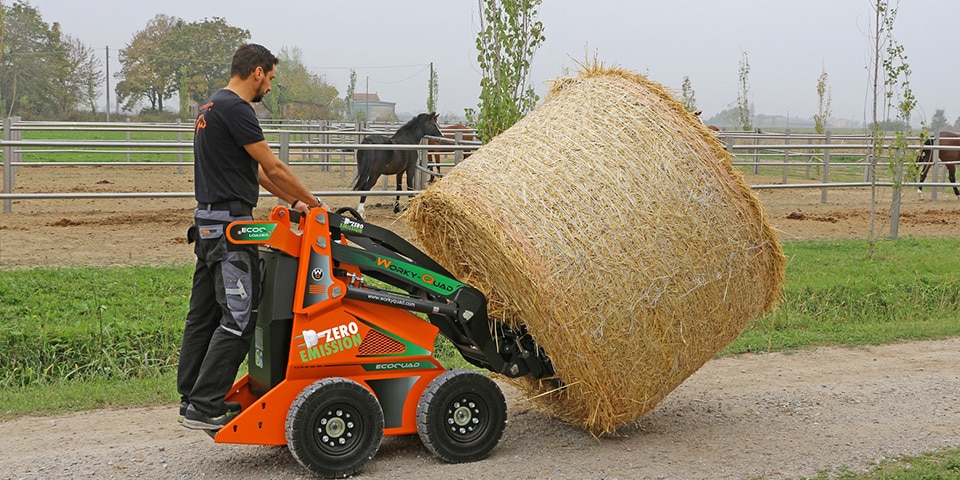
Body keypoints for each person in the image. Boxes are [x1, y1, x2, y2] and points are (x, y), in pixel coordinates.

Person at [177, 43, 329, 430]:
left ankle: (192, 395)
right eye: (271, 78)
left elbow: (256, 176)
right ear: (257, 72)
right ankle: (205, 404)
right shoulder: (237, 109)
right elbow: (273, 166)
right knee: (239, 319)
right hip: (231, 231)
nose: (270, 88)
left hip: (208, 227)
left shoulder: (210, 107)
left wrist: (294, 202)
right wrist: (316, 204)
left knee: (204, 316)